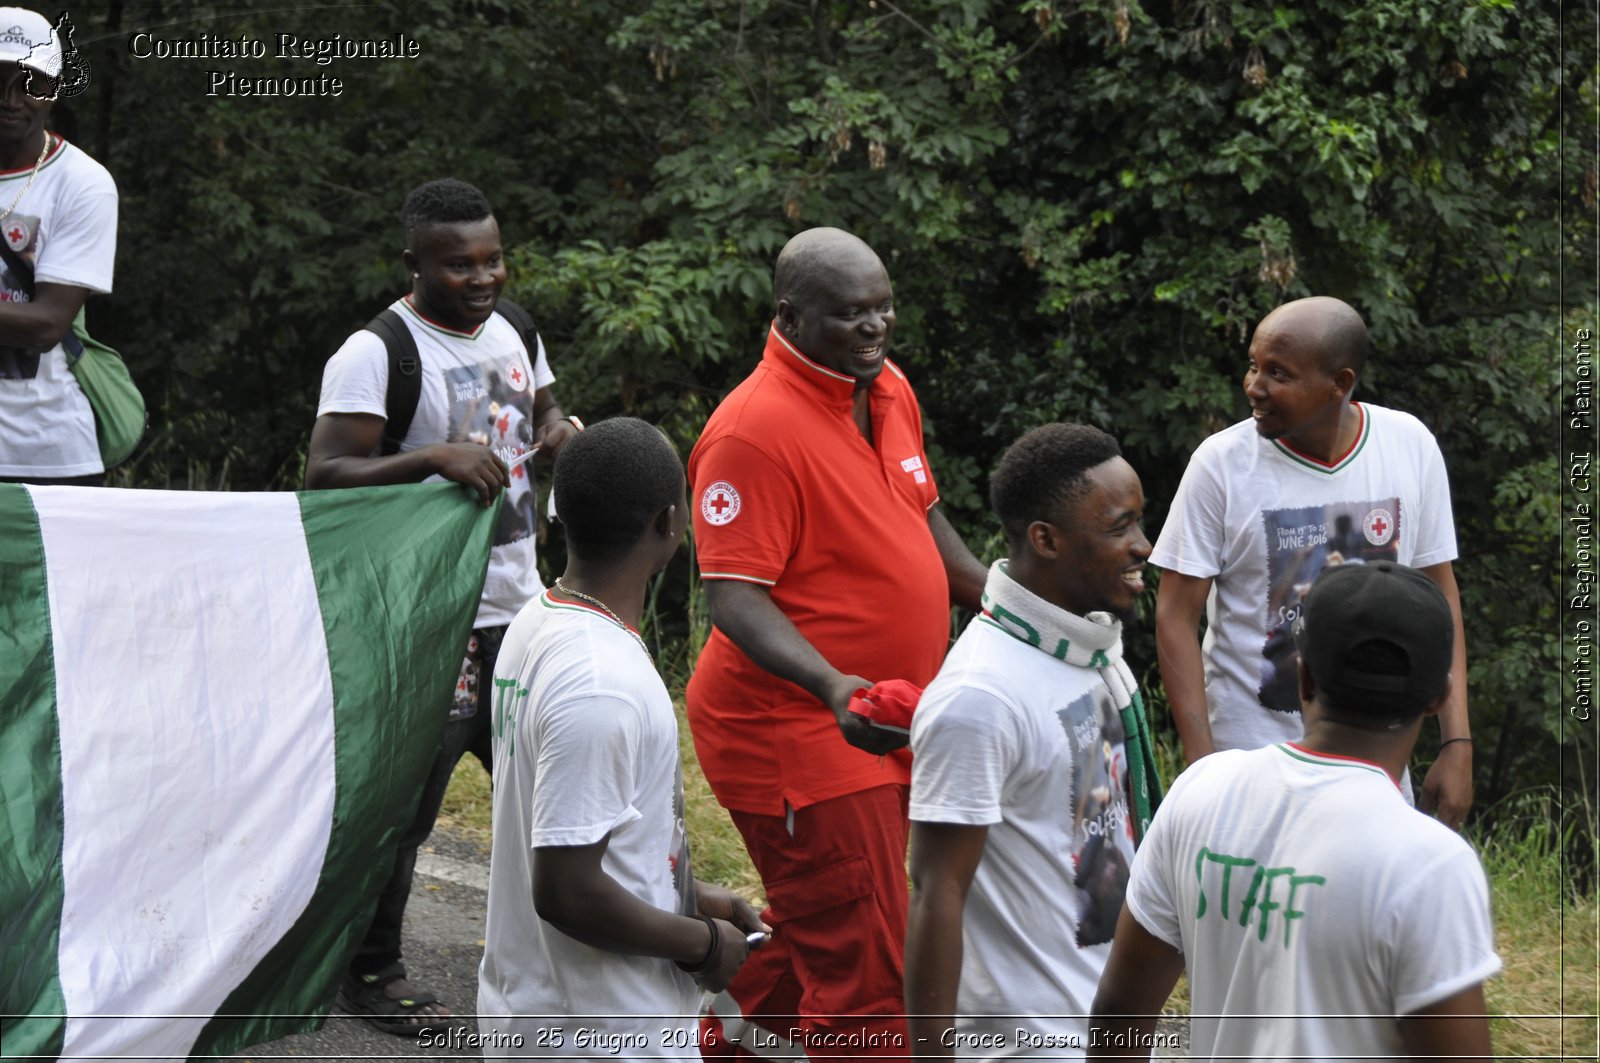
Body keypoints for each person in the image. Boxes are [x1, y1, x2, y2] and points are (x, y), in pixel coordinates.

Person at [687, 226, 987, 1058]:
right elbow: (734, 598)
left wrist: (1011, 600)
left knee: (844, 916)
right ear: (790, 315)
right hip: (799, 731)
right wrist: (828, 684)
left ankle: (727, 1026)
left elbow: (923, 515)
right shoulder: (751, 431)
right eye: (852, 314)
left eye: (884, 308)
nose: (874, 327)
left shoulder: (887, 387)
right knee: (870, 967)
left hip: (888, 714)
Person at [304, 177, 579, 1032]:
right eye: (460, 264)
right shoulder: (376, 350)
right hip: (428, 622)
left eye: (492, 258)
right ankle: (371, 968)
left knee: (550, 786)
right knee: (409, 804)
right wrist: (431, 459)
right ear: (414, 264)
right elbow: (325, 473)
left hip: (518, 605)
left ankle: (571, 951)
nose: (483, 275)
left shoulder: (516, 328)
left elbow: (544, 407)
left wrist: (564, 431)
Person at [1088, 561, 1500, 1061]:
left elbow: (1117, 1015)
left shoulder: (1201, 792)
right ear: (1438, 697)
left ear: (1303, 678)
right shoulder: (1431, 864)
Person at [479, 417, 766, 1056]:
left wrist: (689, 896)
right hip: (598, 1028)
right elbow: (566, 890)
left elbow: (575, 830)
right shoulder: (601, 682)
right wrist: (704, 945)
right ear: (670, 522)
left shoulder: (537, 620)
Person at [1150, 296, 1474, 828]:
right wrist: (1201, 768)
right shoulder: (1221, 465)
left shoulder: (1409, 446)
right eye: (1253, 365)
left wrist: (1456, 741)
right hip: (1248, 776)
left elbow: (1439, 595)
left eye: (1278, 373)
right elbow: (1174, 616)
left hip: (1376, 775)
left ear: (1339, 384)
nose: (1255, 386)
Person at [904, 423, 1164, 1061]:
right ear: (1045, 540)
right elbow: (936, 893)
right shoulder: (980, 697)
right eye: (1118, 528)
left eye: (1140, 523)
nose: (1143, 546)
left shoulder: (1089, 653)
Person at [0, 8, 118, 486]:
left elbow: (47, 325)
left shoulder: (82, 183)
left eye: (29, 82)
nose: (10, 100)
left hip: (45, 459)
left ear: (54, 88)